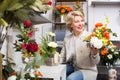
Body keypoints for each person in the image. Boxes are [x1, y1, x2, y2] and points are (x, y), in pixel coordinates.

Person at [60, 11, 100, 80]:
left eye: (82, 21)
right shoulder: (67, 39)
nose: (80, 24)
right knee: (59, 72)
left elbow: (96, 62)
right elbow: (62, 57)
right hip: (73, 67)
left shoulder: (90, 37)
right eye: (77, 22)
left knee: (70, 79)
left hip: (87, 70)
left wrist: (95, 53)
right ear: (71, 25)